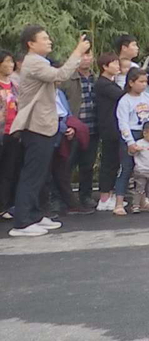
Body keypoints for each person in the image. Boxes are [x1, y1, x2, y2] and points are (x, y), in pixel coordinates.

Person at [7, 27, 89, 237]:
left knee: (41, 174)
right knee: (32, 174)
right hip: (35, 126)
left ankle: (34, 215)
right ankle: (22, 222)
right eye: (44, 38)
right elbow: (61, 74)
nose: (49, 41)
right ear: (31, 44)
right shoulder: (33, 62)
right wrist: (78, 52)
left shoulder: (40, 62)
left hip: (44, 125)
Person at [113, 67, 149, 217]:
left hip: (146, 133)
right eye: (140, 81)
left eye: (145, 82)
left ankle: (143, 201)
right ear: (131, 82)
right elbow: (123, 123)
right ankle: (119, 203)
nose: (143, 84)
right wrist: (130, 141)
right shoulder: (125, 100)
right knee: (127, 168)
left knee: (145, 169)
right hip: (132, 134)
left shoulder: (148, 98)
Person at [60, 49, 98, 208]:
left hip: (93, 128)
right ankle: (63, 199)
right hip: (73, 129)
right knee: (66, 165)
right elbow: (60, 103)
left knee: (87, 165)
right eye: (83, 55)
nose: (86, 59)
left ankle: (85, 196)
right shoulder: (67, 79)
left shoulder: (96, 78)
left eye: (88, 55)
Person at [91, 53, 123, 212]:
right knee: (109, 162)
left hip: (114, 126)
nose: (118, 66)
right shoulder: (103, 84)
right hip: (109, 127)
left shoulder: (111, 83)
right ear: (105, 66)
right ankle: (104, 197)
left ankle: (109, 195)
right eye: (114, 63)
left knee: (114, 162)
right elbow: (122, 96)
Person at [129, 121, 149, 214]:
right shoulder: (139, 143)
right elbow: (132, 153)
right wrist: (135, 150)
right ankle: (136, 205)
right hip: (141, 170)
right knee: (139, 189)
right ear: (145, 133)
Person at [0, 50, 18, 218]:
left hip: (13, 132)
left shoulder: (14, 85)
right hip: (1, 130)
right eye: (6, 61)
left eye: (12, 61)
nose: (10, 65)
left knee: (9, 170)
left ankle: (5, 205)